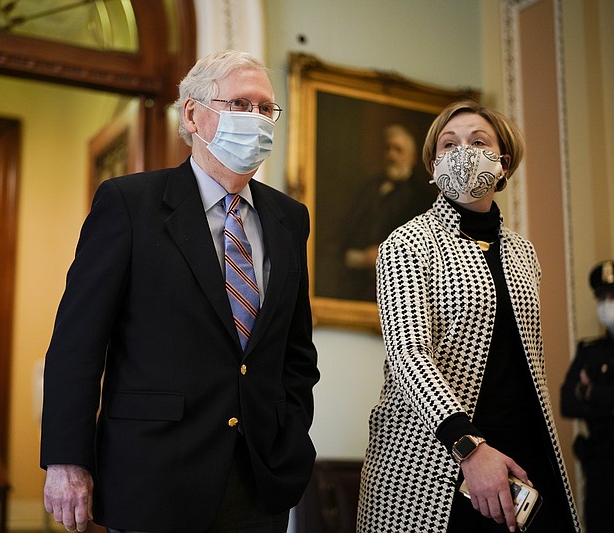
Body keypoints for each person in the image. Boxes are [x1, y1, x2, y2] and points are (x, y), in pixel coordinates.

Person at [40, 50, 320, 533]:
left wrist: (291, 435)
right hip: (154, 474)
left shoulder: (289, 218)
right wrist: (67, 460)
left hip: (259, 479)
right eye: (239, 104)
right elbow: (76, 345)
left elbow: (296, 352)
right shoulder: (129, 203)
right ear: (192, 114)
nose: (255, 119)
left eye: (264, 109)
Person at [357, 101, 581, 532]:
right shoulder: (408, 242)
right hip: (429, 465)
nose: (463, 151)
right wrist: (470, 447)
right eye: (448, 144)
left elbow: (524, 361)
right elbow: (408, 356)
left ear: (503, 163)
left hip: (522, 453)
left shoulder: (523, 251)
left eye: (478, 142)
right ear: (433, 163)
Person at [336, 124, 436, 301]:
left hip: (400, 290)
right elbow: (344, 236)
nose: (391, 155)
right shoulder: (368, 189)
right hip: (357, 284)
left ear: (412, 157)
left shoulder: (424, 199)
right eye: (388, 149)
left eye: (398, 150)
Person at [561, 260, 614, 533]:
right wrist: (610, 402)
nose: (609, 304)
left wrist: (591, 392)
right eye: (603, 297)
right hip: (599, 466)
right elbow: (567, 403)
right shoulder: (590, 350)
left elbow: (582, 398)